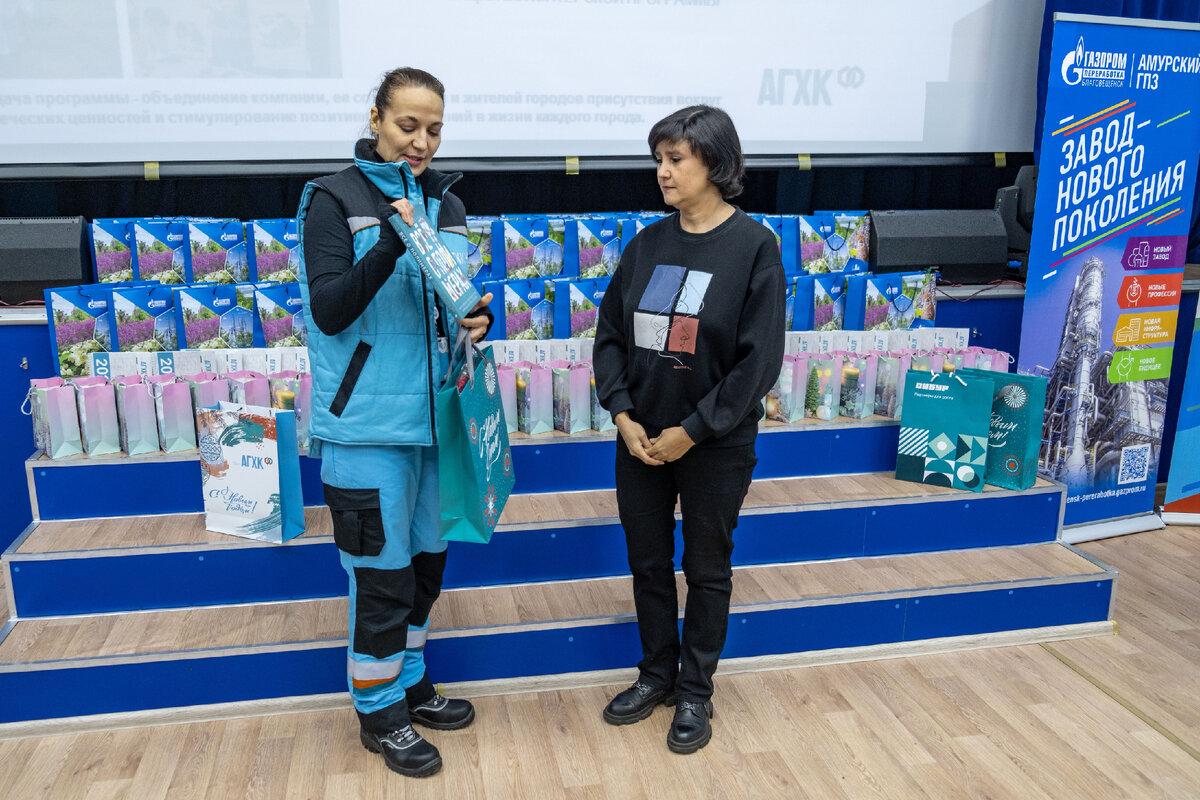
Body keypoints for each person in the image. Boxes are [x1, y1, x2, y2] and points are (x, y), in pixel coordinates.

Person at [297, 67, 492, 779]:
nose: (421, 141)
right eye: (408, 124)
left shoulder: (449, 202)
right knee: (379, 579)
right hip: (366, 430)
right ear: (376, 118)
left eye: (434, 128)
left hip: (436, 422)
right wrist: (390, 240)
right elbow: (330, 310)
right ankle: (377, 711)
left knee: (426, 568)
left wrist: (478, 316)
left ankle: (408, 683)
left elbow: (455, 298)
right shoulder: (333, 198)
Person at [593, 105, 785, 754]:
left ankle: (695, 690)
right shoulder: (646, 244)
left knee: (706, 570)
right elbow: (611, 338)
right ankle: (656, 675)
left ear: (715, 163)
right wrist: (622, 415)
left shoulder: (755, 247)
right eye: (660, 159)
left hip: (714, 447)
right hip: (640, 441)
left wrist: (692, 431)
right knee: (647, 564)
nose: (662, 171)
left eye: (676, 159)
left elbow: (757, 364)